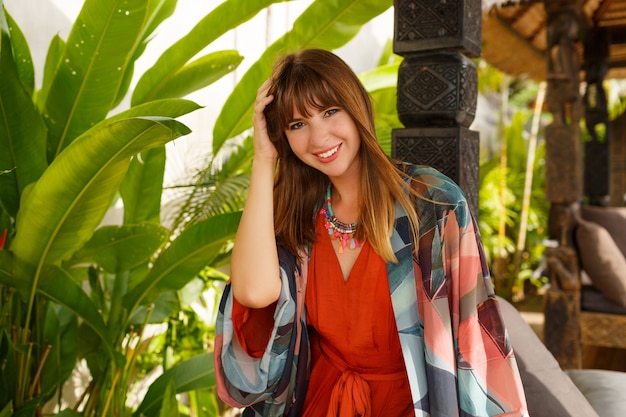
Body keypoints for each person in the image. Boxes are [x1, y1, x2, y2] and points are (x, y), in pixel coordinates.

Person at [214, 48, 529, 417]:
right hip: (322, 402)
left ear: (356, 106)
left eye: (330, 112)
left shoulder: (431, 205)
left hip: (412, 404)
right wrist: (264, 159)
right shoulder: (300, 215)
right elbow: (254, 292)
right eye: (298, 124)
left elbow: (475, 337)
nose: (319, 138)